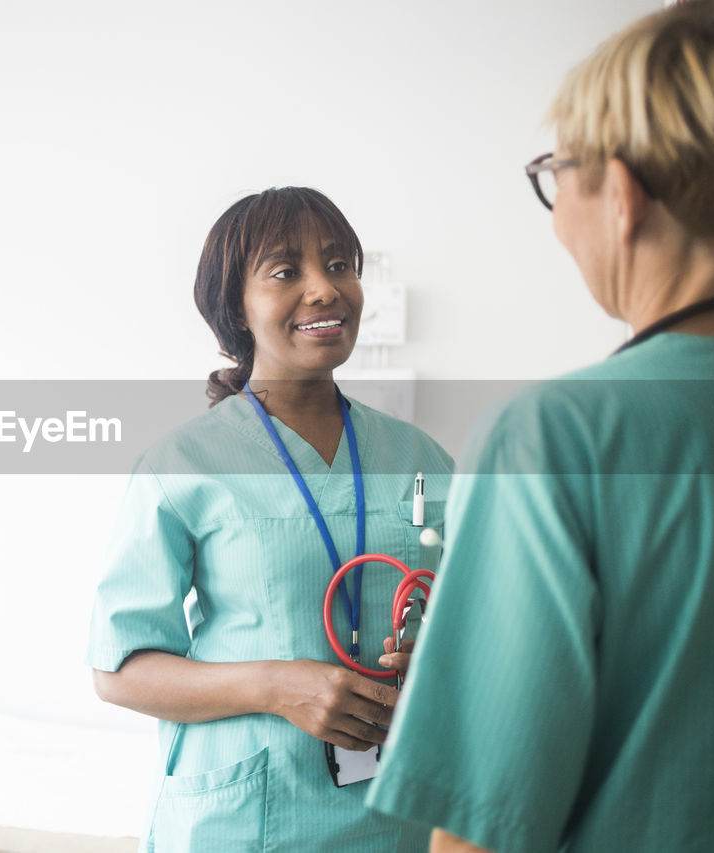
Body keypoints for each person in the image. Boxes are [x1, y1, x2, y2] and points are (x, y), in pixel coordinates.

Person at [365, 3, 714, 851]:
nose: (559, 218)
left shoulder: (555, 440)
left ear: (624, 194)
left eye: (557, 178)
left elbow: (481, 831)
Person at [86, 186, 454, 851]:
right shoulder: (184, 463)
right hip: (247, 816)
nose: (325, 289)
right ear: (237, 306)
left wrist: (436, 656)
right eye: (287, 271)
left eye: (340, 264)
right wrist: (279, 685)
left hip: (396, 810)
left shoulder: (420, 455)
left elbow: (475, 622)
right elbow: (119, 669)